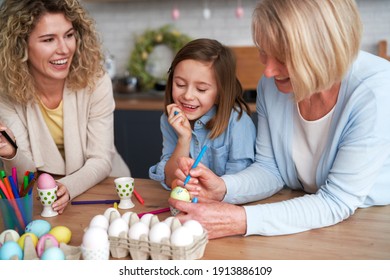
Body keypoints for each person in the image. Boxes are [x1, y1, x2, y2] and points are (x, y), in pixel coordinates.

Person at [169, 0, 390, 239]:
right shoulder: (272, 86)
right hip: (300, 215)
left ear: (324, 51)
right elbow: (270, 169)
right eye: (264, 53)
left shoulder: (374, 93)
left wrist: (239, 220)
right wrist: (222, 189)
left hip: (370, 222)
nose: (268, 72)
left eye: (283, 58)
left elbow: (337, 201)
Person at [0, 0, 130, 214]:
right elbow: (25, 176)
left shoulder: (96, 81)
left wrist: (68, 186)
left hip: (102, 189)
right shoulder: (7, 92)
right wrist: (10, 152)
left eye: (69, 35)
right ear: (20, 45)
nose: (64, 49)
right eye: (49, 39)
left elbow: (100, 159)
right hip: (45, 196)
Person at [149, 38, 256, 190]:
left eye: (201, 89)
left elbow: (240, 185)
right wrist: (184, 139)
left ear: (220, 92)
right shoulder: (170, 120)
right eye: (180, 84)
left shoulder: (238, 122)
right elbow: (170, 179)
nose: (188, 95)